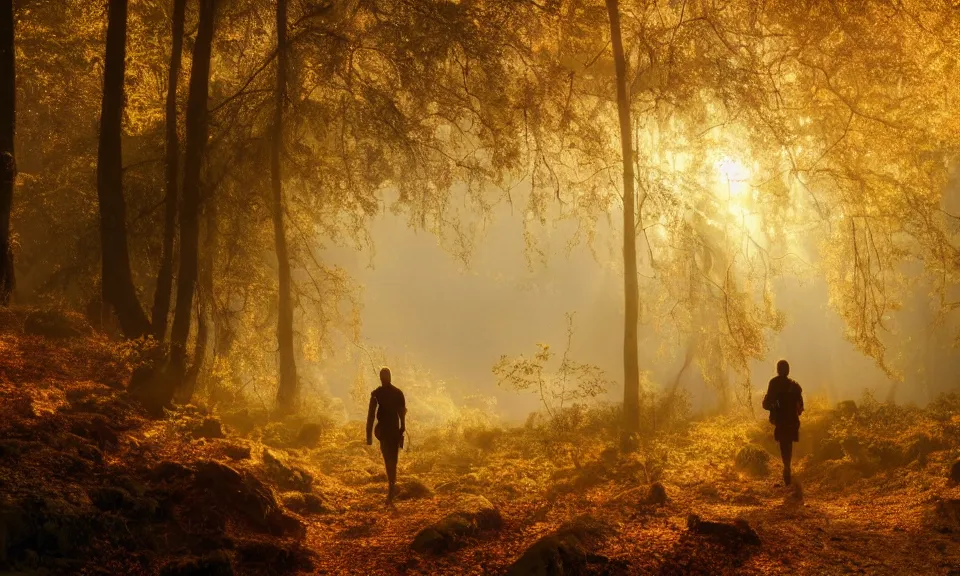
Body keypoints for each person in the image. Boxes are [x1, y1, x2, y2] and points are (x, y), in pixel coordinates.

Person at [366, 367, 406, 503]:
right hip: (388, 431)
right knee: (390, 458)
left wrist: (403, 428)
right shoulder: (385, 393)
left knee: (390, 458)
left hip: (389, 431)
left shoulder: (380, 393)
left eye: (384, 376)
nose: (384, 379)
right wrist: (369, 435)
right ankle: (391, 486)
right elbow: (371, 415)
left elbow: (401, 412)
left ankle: (391, 487)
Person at [762, 359, 804, 486]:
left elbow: (768, 404)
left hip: (780, 420)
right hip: (791, 420)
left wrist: (770, 405)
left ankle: (786, 466)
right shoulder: (795, 386)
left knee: (783, 444)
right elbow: (800, 408)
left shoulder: (773, 383)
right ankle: (787, 465)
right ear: (788, 370)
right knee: (789, 444)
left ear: (778, 370)